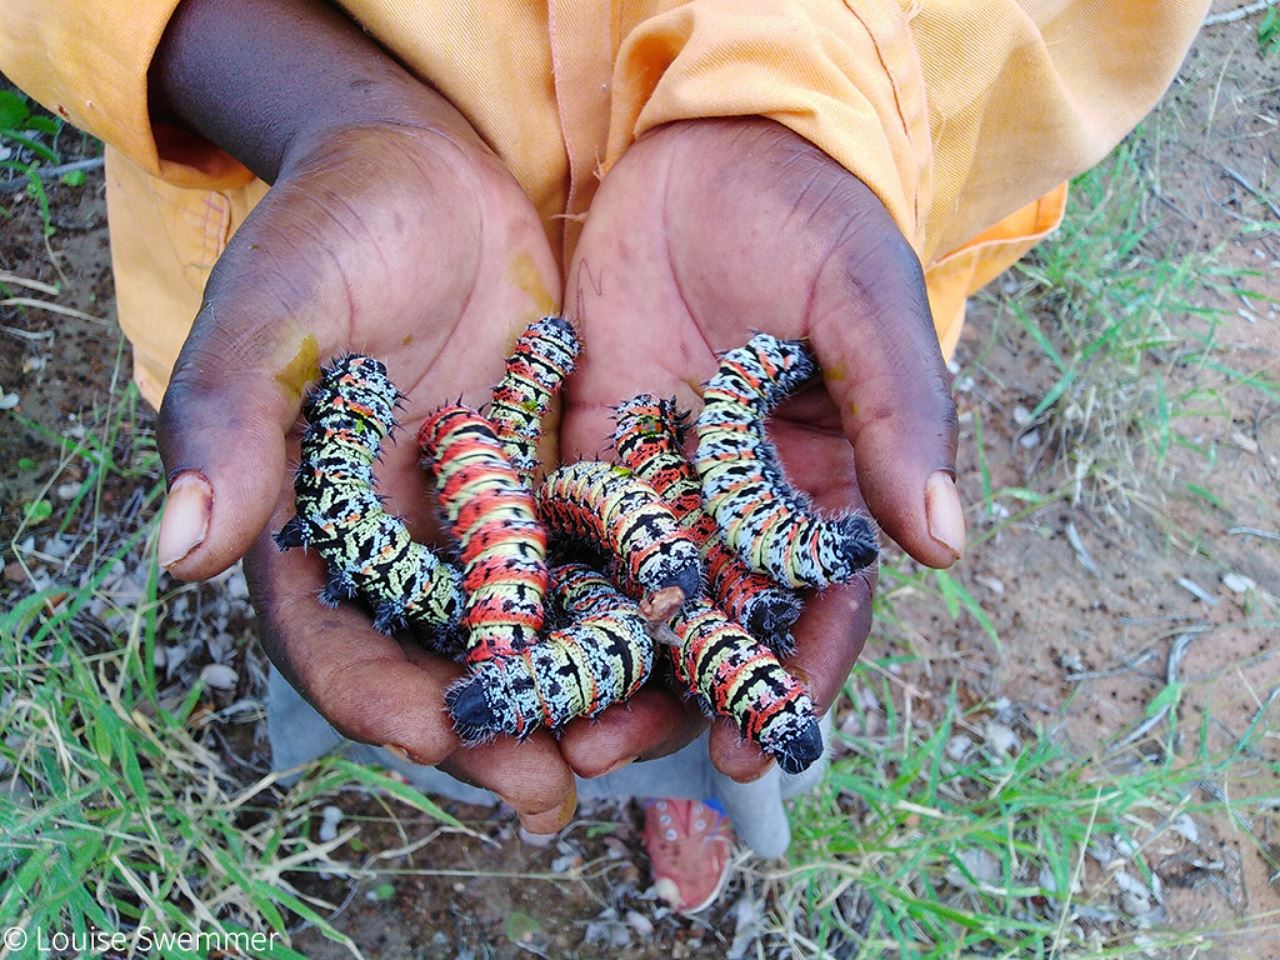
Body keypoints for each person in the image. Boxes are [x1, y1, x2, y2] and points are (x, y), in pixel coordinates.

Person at [1, 0, 1207, 915]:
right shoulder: (547, 486)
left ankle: (682, 778)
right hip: (353, 278)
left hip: (690, 339)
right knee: (424, 636)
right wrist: (325, 112)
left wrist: (819, 107)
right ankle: (578, 725)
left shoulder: (677, 478)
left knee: (642, 679)